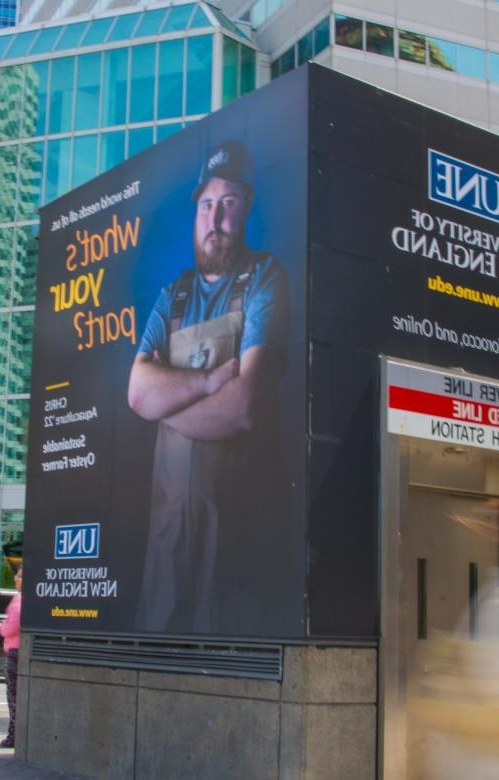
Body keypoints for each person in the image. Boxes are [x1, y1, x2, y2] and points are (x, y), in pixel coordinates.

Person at [126, 139, 288, 633]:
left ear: (247, 208)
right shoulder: (171, 296)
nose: (215, 218)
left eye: (229, 204)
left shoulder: (265, 280)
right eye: (206, 205)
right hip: (167, 544)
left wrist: (165, 401)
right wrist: (209, 380)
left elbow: (241, 408)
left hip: (237, 551)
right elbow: (135, 393)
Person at [0, 570, 23, 749]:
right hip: (25, 650)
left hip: (15, 650)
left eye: (19, 576)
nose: (15, 578)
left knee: (13, 696)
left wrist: (2, 627)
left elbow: (12, 627)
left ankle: (14, 736)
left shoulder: (19, 599)